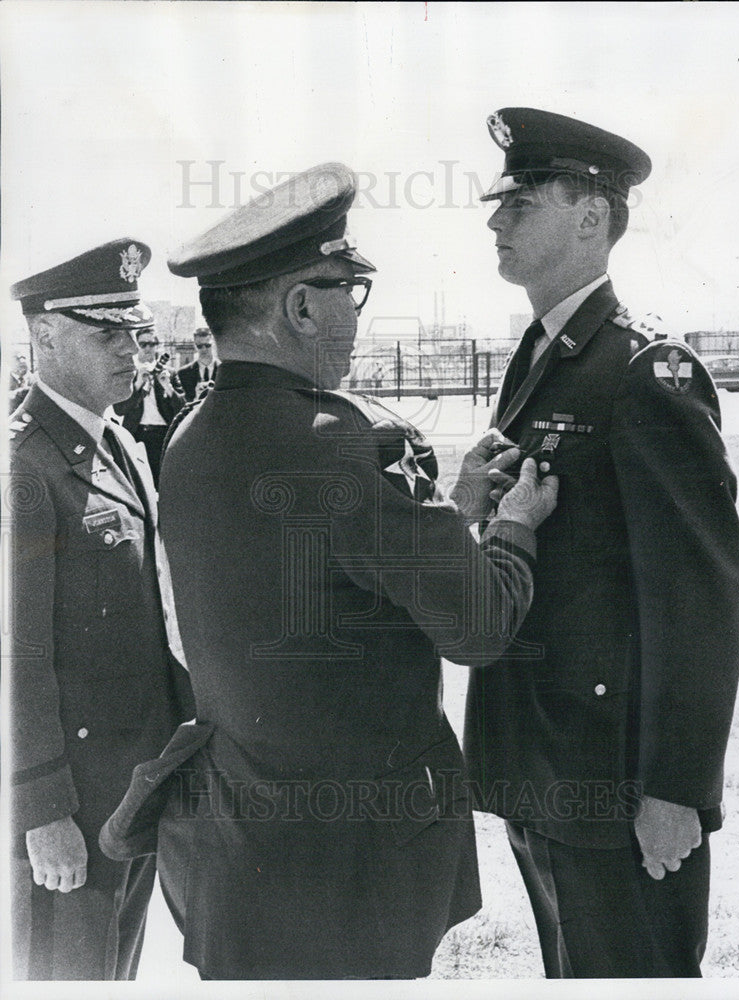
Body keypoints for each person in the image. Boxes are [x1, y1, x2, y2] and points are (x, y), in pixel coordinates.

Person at [100, 163, 559, 980]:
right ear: (301, 306)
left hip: (242, 850)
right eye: (350, 288)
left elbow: (332, 572)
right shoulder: (329, 436)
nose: (354, 312)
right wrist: (513, 528)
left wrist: (451, 510)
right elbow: (479, 629)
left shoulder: (198, 430)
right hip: (345, 868)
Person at [462, 107, 739, 978]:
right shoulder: (543, 353)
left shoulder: (641, 370)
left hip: (616, 782)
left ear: (591, 215)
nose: (494, 221)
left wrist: (675, 790)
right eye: (496, 204)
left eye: (520, 202)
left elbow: (699, 596)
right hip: (543, 765)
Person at [7, 239, 195, 980]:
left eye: (133, 331)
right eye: (104, 333)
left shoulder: (114, 441)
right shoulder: (22, 466)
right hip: (74, 802)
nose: (131, 350)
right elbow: (14, 658)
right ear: (45, 336)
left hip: (132, 784)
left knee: (116, 971)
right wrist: (41, 810)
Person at [112, 329, 184, 486]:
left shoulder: (169, 372)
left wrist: (168, 387)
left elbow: (183, 409)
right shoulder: (128, 373)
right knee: (139, 485)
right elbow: (119, 409)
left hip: (163, 435)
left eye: (152, 344)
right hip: (137, 433)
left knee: (164, 484)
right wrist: (137, 385)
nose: (147, 348)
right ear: (136, 346)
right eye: (143, 344)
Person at [176, 327, 219, 402]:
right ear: (195, 346)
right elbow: (181, 405)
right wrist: (196, 398)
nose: (204, 349)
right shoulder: (183, 374)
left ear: (214, 344)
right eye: (199, 346)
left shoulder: (224, 371)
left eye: (207, 345)